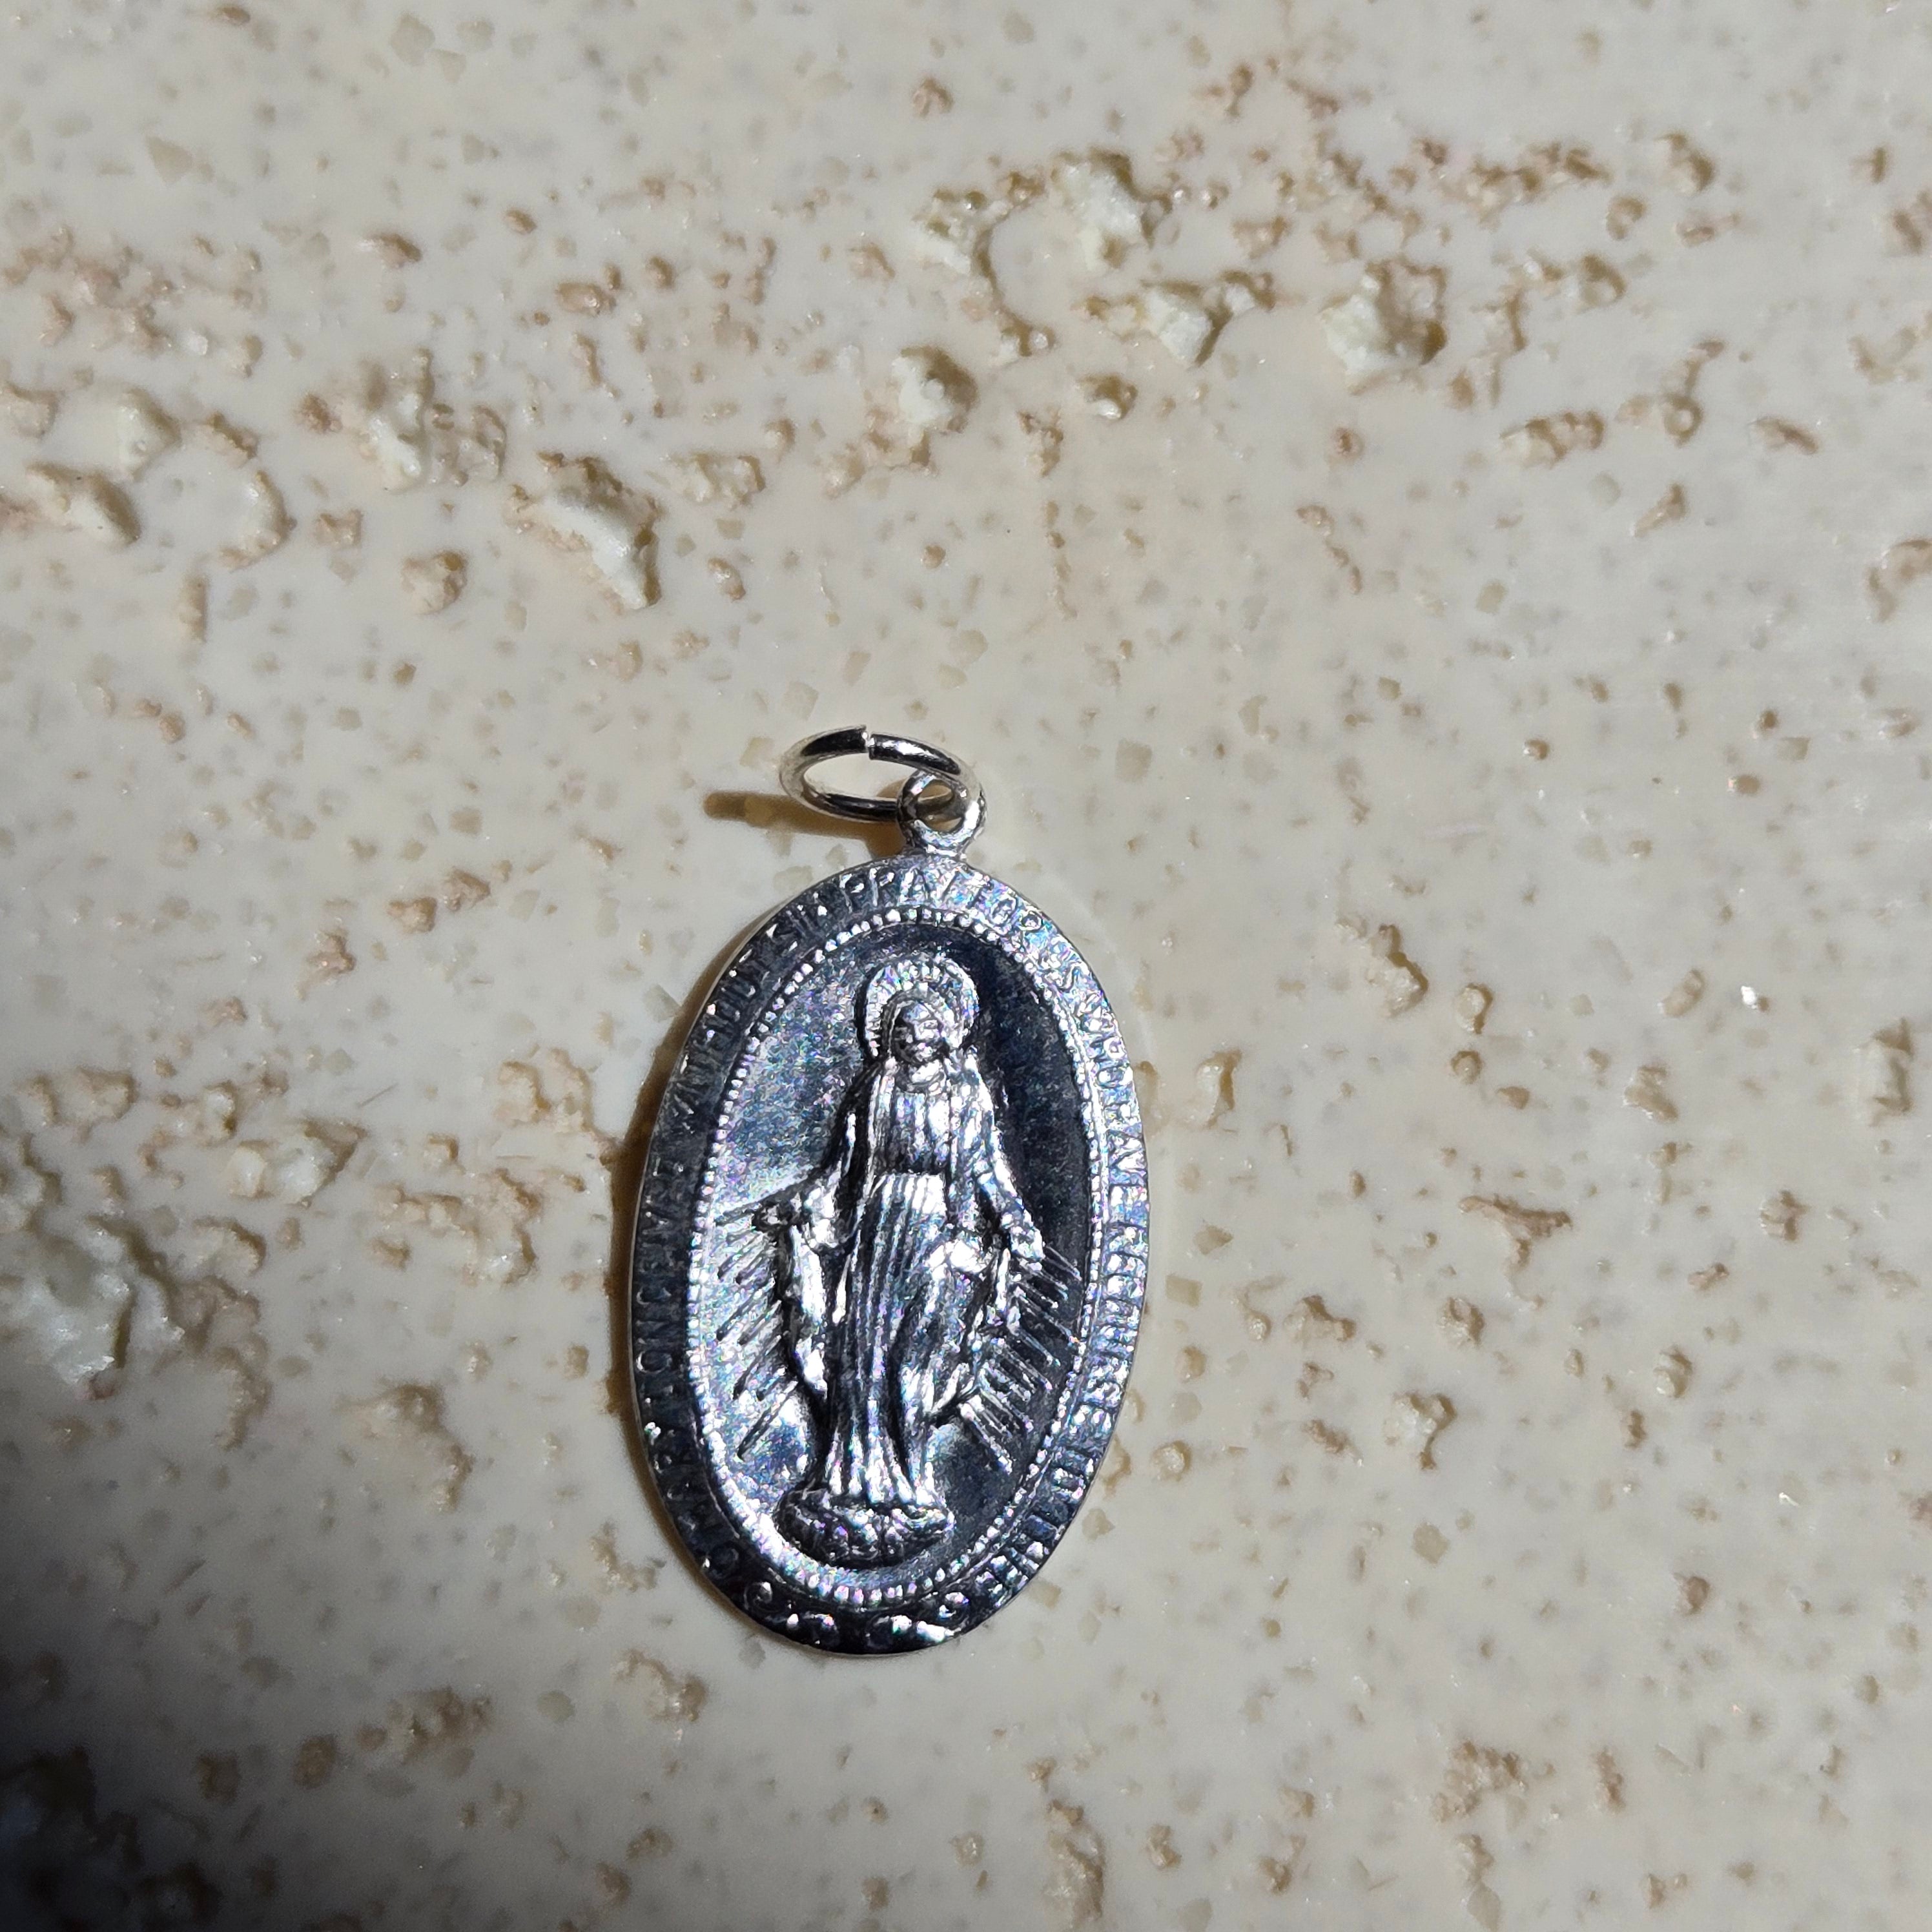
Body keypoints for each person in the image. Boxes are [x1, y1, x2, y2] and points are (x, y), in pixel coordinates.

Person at [754, 952, 1044, 1566]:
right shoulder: (876, 1087)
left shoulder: (966, 1094)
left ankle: (912, 1484)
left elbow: (986, 1170)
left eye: (926, 1026)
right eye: (902, 1028)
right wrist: (800, 1203)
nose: (914, 1037)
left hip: (935, 1231)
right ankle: (852, 1482)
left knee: (915, 1361)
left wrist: (1014, 1222)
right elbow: (843, 1166)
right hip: (878, 1227)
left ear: (947, 1031)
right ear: (887, 1035)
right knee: (862, 1358)